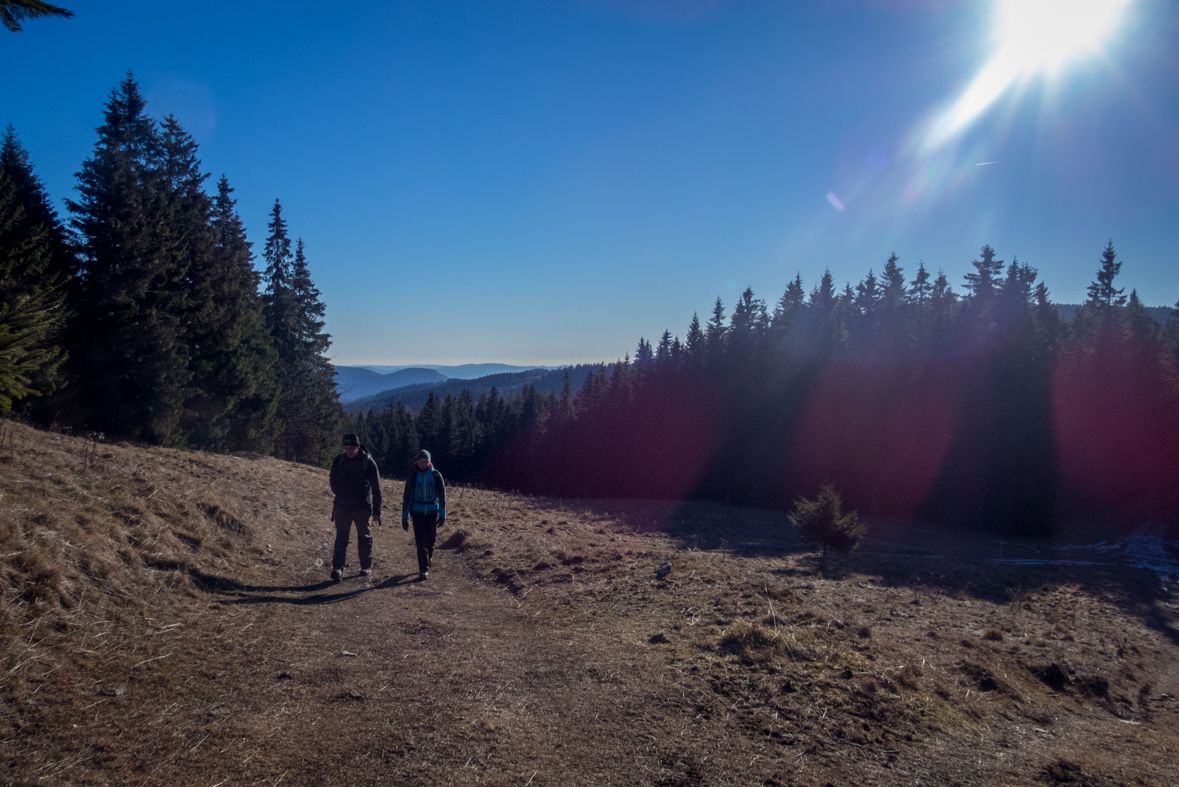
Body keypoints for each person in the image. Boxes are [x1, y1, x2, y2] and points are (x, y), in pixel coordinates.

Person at [328, 433, 382, 582]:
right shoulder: (339, 460)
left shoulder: (368, 462)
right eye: (346, 448)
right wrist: (340, 493)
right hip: (342, 506)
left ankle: (365, 567)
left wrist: (377, 510)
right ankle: (337, 568)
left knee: (364, 537)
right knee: (341, 537)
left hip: (362, 507)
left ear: (358, 447)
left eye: (352, 448)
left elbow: (377, 488)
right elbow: (332, 481)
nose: (349, 451)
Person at [401, 449, 446, 581]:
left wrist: (443, 515)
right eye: (420, 461)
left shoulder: (437, 476)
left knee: (431, 540)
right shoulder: (413, 477)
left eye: (425, 461)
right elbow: (407, 498)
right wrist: (404, 518)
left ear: (429, 461)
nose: (422, 464)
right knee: (420, 542)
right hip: (417, 513)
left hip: (432, 512)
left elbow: (442, 497)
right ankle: (423, 569)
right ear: (417, 462)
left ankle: (429, 557)